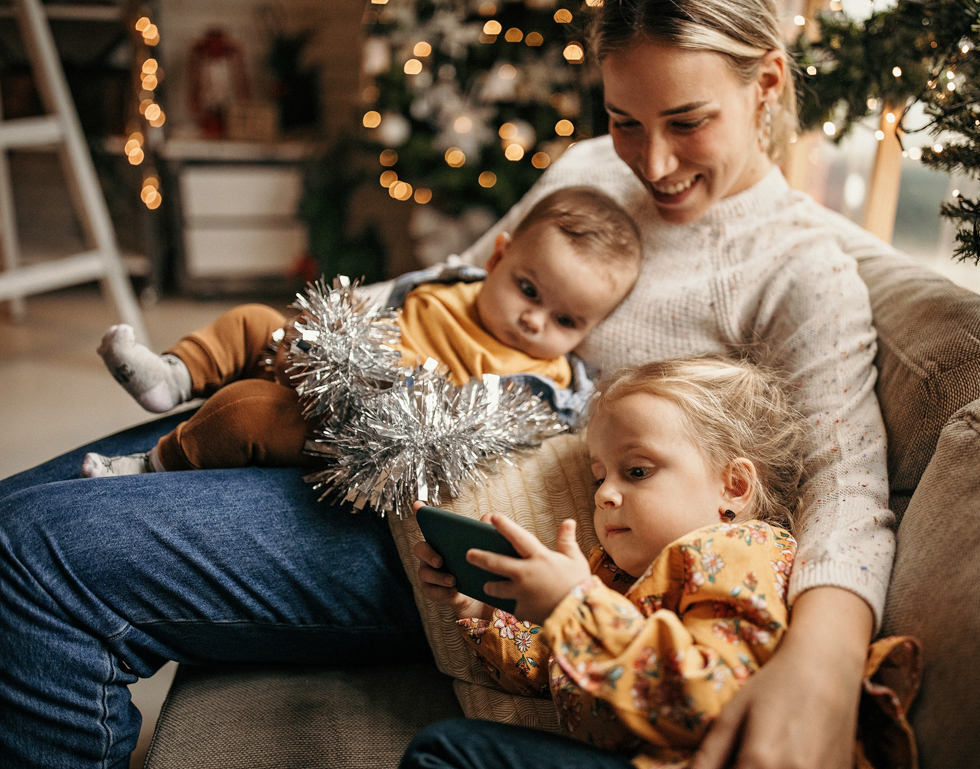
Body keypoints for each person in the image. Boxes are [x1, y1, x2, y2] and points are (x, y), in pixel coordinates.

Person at [0, 0, 897, 766]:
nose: (651, 163)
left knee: (29, 559)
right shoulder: (589, 167)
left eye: (688, 121)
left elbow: (848, 478)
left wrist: (820, 660)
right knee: (13, 511)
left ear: (768, 84)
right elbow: (455, 283)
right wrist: (311, 337)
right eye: (626, 118)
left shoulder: (799, 269)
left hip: (451, 539)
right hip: (369, 416)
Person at [405, 358, 917, 769]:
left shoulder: (738, 553)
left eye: (637, 470)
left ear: (733, 487)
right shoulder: (613, 576)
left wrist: (573, 605)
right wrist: (479, 604)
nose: (605, 494)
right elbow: (552, 669)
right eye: (598, 477)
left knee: (449, 750)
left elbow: (711, 698)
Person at [80, 186, 642, 476]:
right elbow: (375, 304)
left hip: (358, 428)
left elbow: (467, 431)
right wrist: (328, 325)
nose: (534, 320)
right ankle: (171, 376)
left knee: (246, 410)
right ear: (497, 259)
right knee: (251, 320)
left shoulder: (542, 383)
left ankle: (152, 466)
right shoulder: (449, 285)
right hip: (327, 357)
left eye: (566, 321)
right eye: (529, 290)